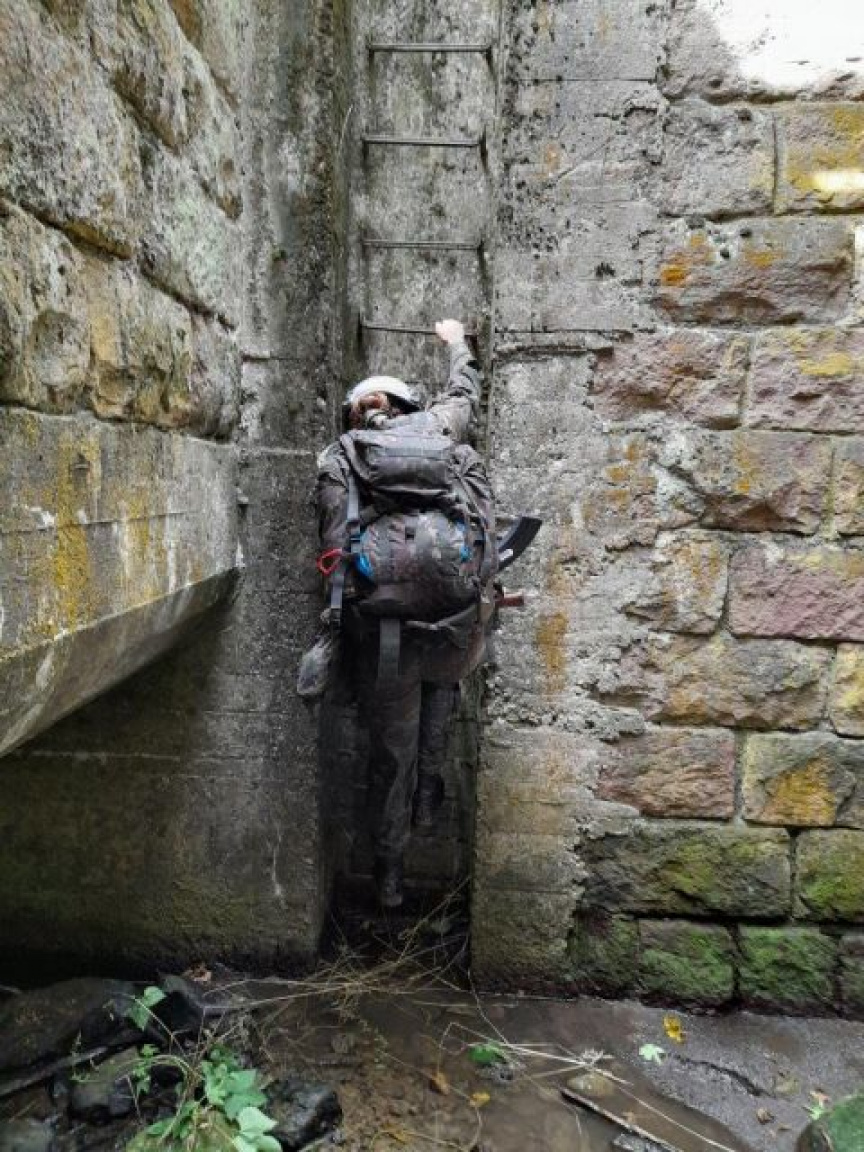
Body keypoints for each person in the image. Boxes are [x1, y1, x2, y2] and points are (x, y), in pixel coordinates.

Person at [314, 319, 495, 909]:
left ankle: (390, 874)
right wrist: (457, 341)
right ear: (407, 406)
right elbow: (466, 391)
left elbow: (335, 550)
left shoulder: (341, 456)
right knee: (442, 701)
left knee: (392, 754)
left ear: (356, 414)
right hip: (454, 623)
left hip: (386, 634)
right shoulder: (439, 427)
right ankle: (428, 798)